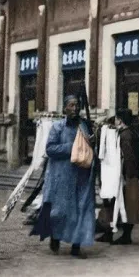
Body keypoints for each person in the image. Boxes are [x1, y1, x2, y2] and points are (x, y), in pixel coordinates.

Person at [31, 95, 95, 258]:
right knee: (59, 213)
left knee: (82, 211)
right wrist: (73, 147)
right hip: (61, 178)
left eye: (77, 105)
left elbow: (89, 148)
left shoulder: (84, 126)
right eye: (71, 105)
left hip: (82, 177)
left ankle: (76, 246)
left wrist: (92, 143)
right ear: (64, 108)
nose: (75, 109)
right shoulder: (57, 127)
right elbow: (51, 149)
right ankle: (55, 237)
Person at [112, 109, 139, 245]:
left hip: (128, 174)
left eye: (116, 119)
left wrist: (127, 176)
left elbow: (129, 157)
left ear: (120, 120)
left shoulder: (125, 135)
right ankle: (126, 235)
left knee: (128, 204)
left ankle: (126, 235)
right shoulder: (133, 132)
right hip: (133, 173)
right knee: (130, 203)